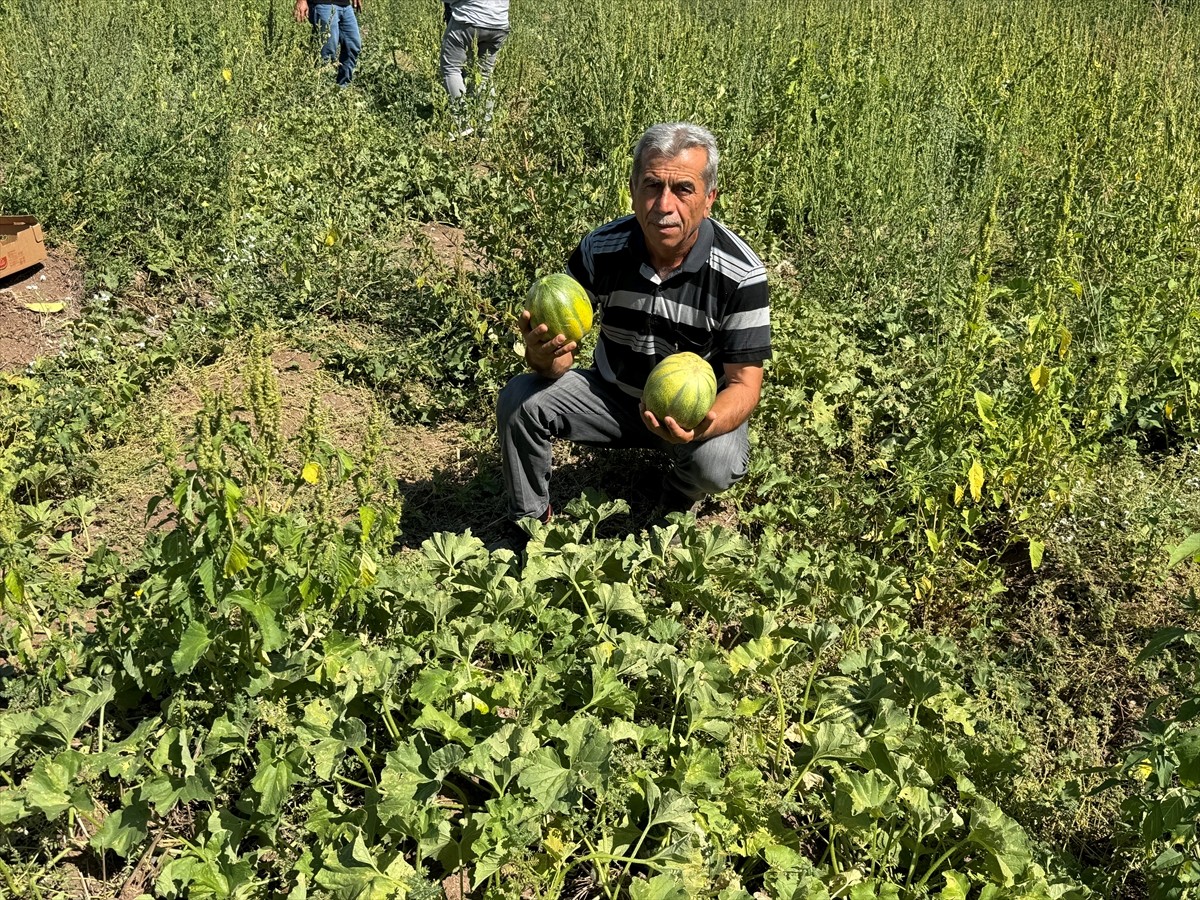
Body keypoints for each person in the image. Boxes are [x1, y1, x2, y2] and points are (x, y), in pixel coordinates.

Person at [495, 122, 771, 548]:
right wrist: (543, 355)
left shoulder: (741, 274)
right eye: (651, 185)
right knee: (520, 399)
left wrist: (698, 428)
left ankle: (678, 494)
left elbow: (744, 384)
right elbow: (560, 362)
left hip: (690, 413)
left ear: (710, 198)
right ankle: (530, 524)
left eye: (683, 189)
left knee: (716, 464)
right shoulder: (602, 249)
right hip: (612, 395)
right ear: (632, 189)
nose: (664, 205)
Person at [439, 0, 510, 136]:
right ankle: (485, 127)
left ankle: (463, 125)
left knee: (451, 68)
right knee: (484, 74)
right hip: (499, 23)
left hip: (469, 20)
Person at [295, 0, 363, 87]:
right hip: (323, 4)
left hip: (345, 5)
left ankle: (343, 88)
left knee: (353, 45)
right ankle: (323, 89)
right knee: (327, 52)